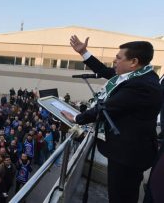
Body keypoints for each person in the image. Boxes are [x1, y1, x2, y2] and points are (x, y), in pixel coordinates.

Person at [62, 35, 162, 203]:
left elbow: (107, 108)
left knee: (120, 196)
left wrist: (77, 118)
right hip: (128, 152)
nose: (114, 61)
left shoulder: (142, 85)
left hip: (128, 155)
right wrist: (84, 52)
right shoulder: (138, 76)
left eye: (118, 58)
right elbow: (105, 71)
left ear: (134, 62)